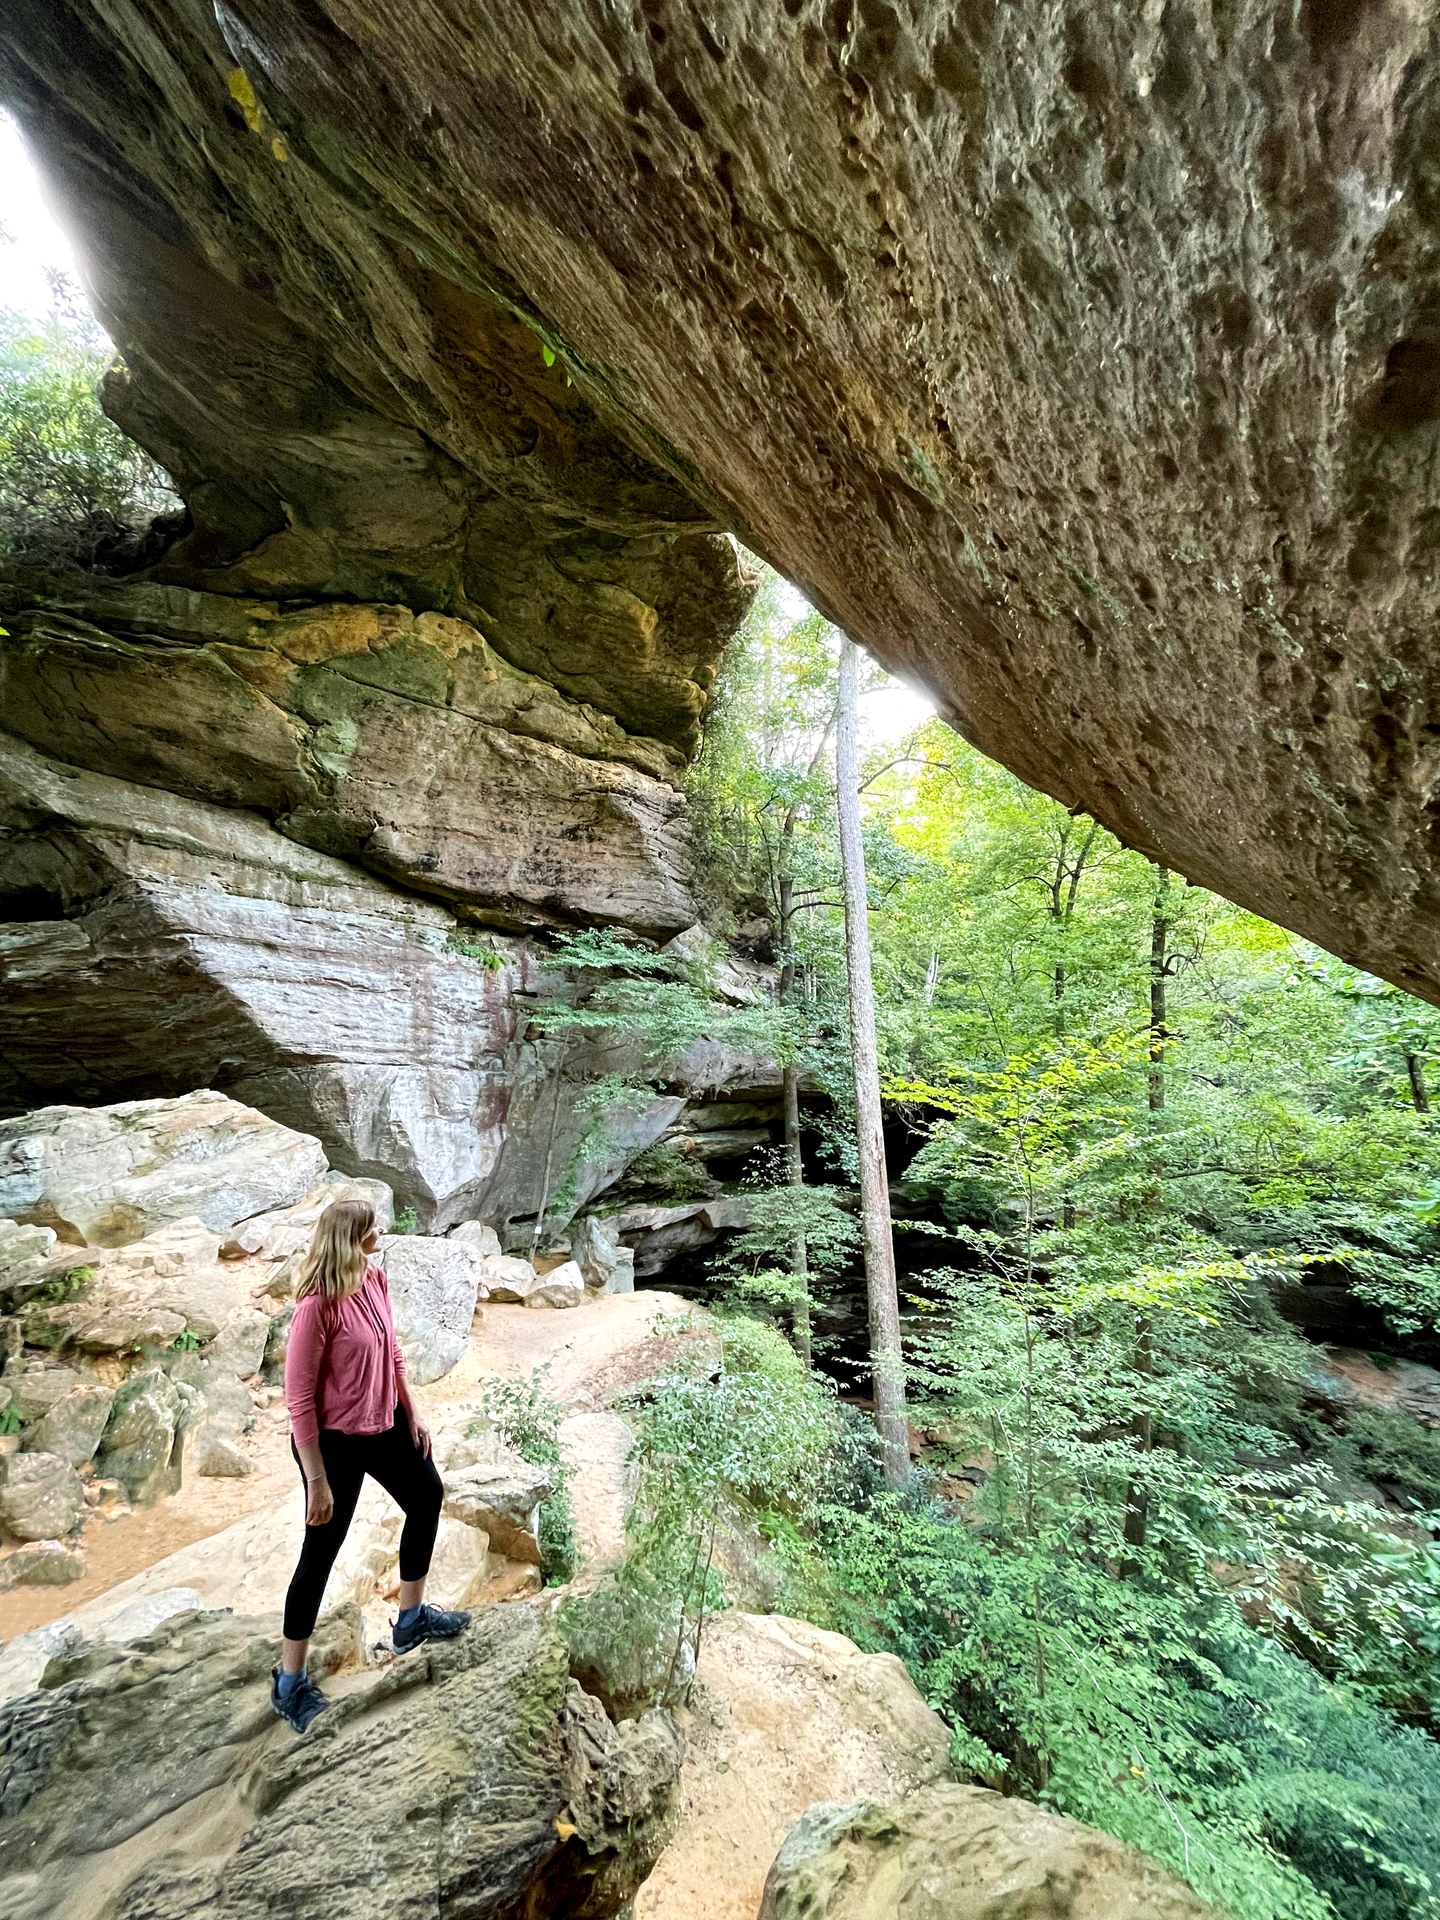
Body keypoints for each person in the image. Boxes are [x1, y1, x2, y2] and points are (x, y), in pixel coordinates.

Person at [272, 1197, 469, 1732]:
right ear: (352, 1235)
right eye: (371, 1226)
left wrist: (412, 1412)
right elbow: (298, 1400)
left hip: (384, 1423)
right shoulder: (317, 1304)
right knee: (320, 1553)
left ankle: (410, 1620)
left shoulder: (374, 1277)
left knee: (426, 1495)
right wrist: (316, 1479)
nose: (380, 1230)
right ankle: (288, 1683)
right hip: (333, 1444)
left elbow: (392, 1352)